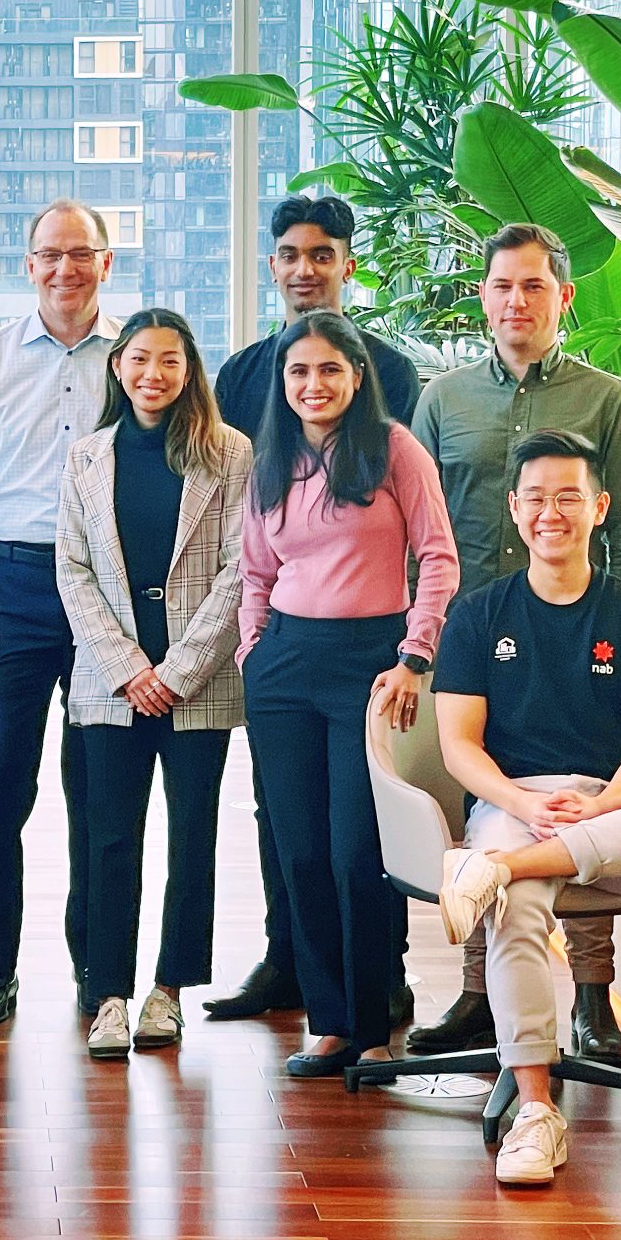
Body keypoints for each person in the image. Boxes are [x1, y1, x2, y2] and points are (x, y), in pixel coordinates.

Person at [434, 430, 621, 1185]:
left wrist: (601, 809)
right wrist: (521, 801)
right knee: (520, 906)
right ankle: (536, 1111)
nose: (550, 512)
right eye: (536, 498)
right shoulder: (477, 614)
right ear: (515, 510)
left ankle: (493, 869)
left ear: (599, 507)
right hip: (510, 800)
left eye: (568, 496)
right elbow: (461, 748)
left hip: (611, 811)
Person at [409, 223, 621, 1064]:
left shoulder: (606, 399)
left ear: (564, 298)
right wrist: (414, 647)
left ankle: (593, 997)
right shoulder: (443, 399)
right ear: (482, 295)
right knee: (487, 807)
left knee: (582, 796)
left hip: (584, 643)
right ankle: (478, 997)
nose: (517, 302)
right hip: (472, 643)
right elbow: (420, 533)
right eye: (502, 286)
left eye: (534, 287)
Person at [206, 194, 422, 1025]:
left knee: (361, 821)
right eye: (291, 254)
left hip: (372, 638)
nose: (306, 269)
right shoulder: (243, 374)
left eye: (322, 254)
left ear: (347, 265)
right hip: (284, 638)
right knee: (284, 814)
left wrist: (412, 641)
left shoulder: (392, 373)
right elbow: (237, 508)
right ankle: (288, 959)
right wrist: (254, 638)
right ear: (273, 267)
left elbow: (410, 521)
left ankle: (384, 977)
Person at [237, 312, 458, 1077]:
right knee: (297, 850)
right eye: (299, 372)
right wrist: (252, 648)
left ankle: (371, 1025)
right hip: (285, 667)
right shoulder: (271, 460)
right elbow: (256, 571)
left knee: (356, 853)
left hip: (374, 666)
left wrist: (415, 655)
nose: (313, 385)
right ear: (284, 383)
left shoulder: (395, 450)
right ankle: (328, 1023)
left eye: (329, 370)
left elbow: (437, 557)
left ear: (357, 376)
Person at [0, 198, 121, 1027]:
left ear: (105, 264)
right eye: (50, 255)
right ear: (28, 265)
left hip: (109, 599)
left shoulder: (136, 358)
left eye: (81, 255)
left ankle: (96, 972)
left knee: (99, 790)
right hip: (9, 592)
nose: (65, 270)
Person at [54, 309, 251, 1059]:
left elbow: (241, 571)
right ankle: (109, 994)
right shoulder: (86, 458)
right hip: (111, 684)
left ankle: (168, 990)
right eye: (139, 359)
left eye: (169, 361)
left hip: (196, 681)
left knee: (191, 837)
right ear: (117, 366)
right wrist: (129, 668)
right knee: (108, 839)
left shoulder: (230, 454)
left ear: (189, 370)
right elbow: (71, 571)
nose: (152, 375)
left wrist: (174, 671)